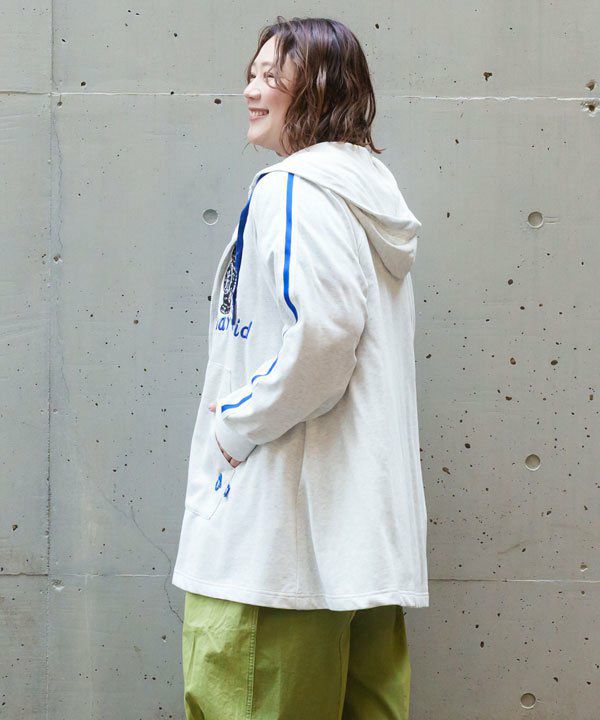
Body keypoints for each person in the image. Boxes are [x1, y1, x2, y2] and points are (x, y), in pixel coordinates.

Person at [172, 15, 429, 720]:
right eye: (250, 74)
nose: (250, 91)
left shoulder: (293, 191)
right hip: (357, 553)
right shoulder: (368, 198)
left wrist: (234, 426)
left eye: (270, 77)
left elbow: (324, 338)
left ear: (314, 90)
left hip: (278, 551)